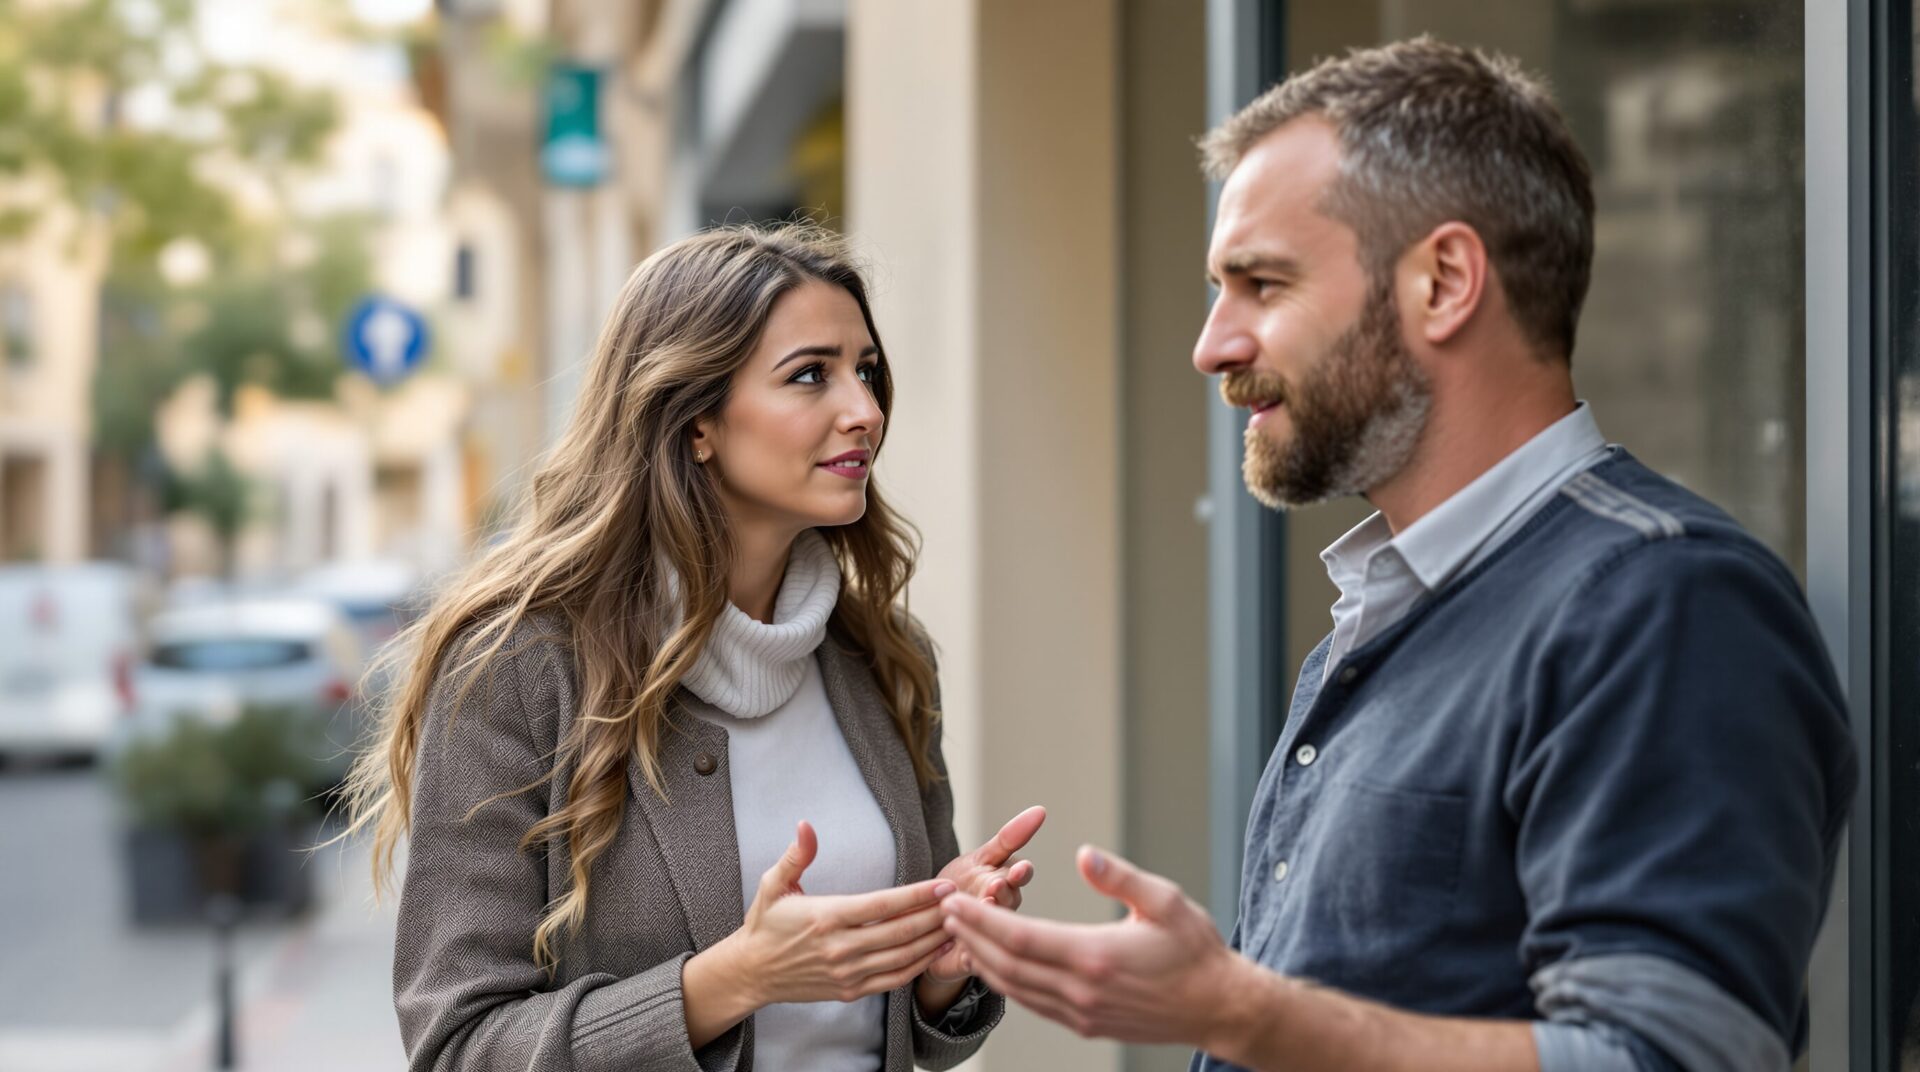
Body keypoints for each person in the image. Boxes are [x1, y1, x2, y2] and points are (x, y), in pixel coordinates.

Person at [939, 37, 1856, 1072]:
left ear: (1445, 282)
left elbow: (1672, 1060)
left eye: (1262, 284)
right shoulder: (1379, 623)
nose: (1213, 344)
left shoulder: (1666, 603)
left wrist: (1238, 1012)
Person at [341, 224, 1043, 1071]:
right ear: (696, 419)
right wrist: (729, 983)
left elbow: (911, 1038)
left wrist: (941, 972)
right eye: (811, 375)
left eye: (866, 371)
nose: (864, 410)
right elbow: (458, 1045)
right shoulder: (520, 667)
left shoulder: (886, 657)